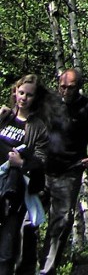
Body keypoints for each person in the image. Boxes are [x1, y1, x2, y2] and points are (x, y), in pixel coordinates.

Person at [38, 70, 88, 275]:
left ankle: (46, 270)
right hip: (41, 171)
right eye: (62, 86)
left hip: (69, 174)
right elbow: (23, 108)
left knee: (61, 223)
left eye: (70, 87)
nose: (65, 90)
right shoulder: (48, 101)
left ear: (79, 86)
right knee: (27, 219)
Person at [0, 74, 48, 275]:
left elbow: (42, 160)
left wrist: (22, 164)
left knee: (7, 248)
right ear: (15, 92)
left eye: (29, 95)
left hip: (14, 192)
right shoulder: (5, 116)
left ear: (35, 98)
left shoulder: (39, 127)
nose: (24, 98)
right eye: (21, 93)